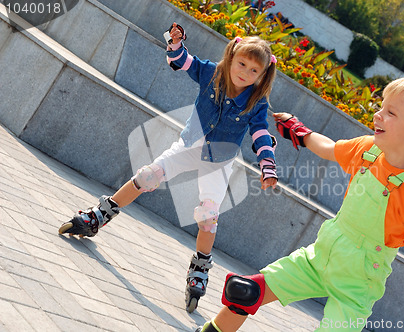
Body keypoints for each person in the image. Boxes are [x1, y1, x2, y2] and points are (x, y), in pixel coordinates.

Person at [196, 77, 404, 331]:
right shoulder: (368, 149)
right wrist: (300, 133)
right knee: (246, 292)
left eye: (391, 112)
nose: (378, 114)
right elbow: (328, 148)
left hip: (357, 283)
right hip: (319, 257)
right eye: (381, 106)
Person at [58, 23, 279, 313]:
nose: (245, 73)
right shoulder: (212, 73)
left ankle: (200, 267)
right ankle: (99, 216)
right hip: (188, 148)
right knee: (146, 176)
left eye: (254, 71)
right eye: (242, 64)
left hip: (219, 162)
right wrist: (175, 43)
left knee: (208, 216)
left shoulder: (256, 102)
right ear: (232, 56)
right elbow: (182, 62)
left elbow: (261, 134)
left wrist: (267, 165)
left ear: (263, 76)